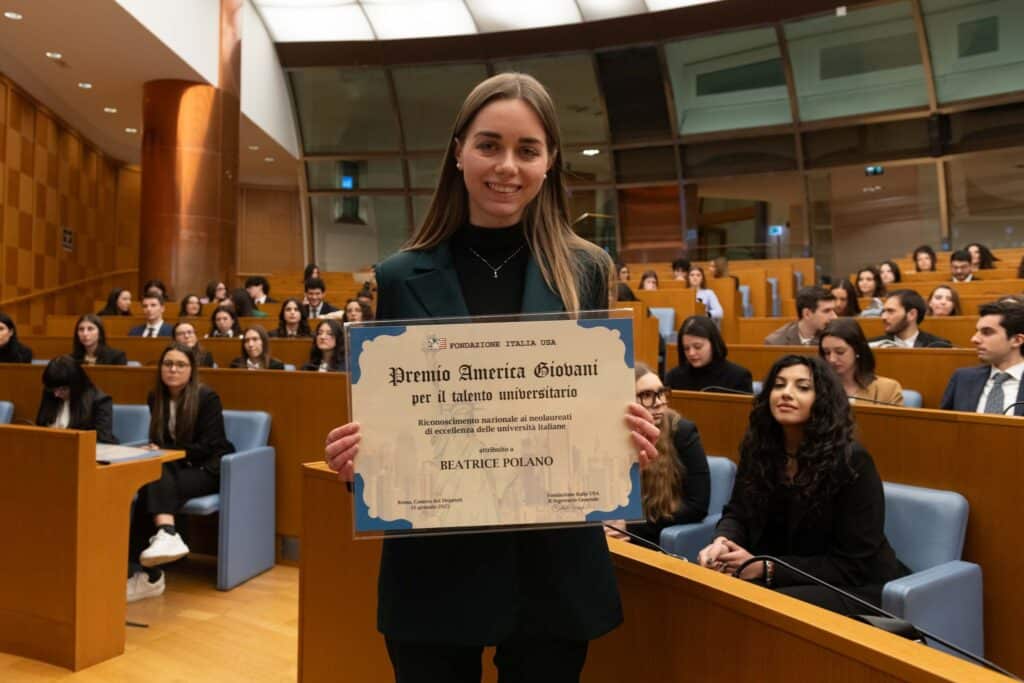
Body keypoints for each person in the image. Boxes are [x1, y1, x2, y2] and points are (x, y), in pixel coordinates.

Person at [321, 72, 660, 682]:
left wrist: (623, 437)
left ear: (550, 161)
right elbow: (394, 418)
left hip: (551, 567)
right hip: (433, 564)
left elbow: (589, 413)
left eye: (527, 150)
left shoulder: (587, 268)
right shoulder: (400, 276)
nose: (507, 166)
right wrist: (359, 458)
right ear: (458, 152)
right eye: (489, 144)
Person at [696, 355, 908, 615]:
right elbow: (738, 512)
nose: (786, 393)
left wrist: (767, 568)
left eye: (802, 387)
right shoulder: (759, 450)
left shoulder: (852, 461)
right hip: (785, 575)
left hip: (855, 585)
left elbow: (855, 563)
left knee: (764, 606)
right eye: (779, 385)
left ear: (823, 400)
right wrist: (723, 541)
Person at [126, 344, 235, 602]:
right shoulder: (156, 397)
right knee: (148, 483)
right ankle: (163, 540)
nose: (173, 369)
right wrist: (159, 450)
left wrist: (167, 450)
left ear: (191, 370)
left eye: (180, 365)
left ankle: (148, 572)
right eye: (168, 364)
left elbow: (210, 445)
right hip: (176, 468)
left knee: (152, 482)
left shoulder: (207, 397)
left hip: (209, 468)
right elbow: (162, 440)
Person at [605, 363, 709, 546]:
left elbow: (697, 506)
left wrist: (630, 527)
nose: (659, 402)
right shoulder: (611, 435)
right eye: (646, 395)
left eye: (661, 392)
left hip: (654, 536)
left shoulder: (682, 431)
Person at [940, 301, 1024, 416]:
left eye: (987, 332)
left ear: (1017, 340)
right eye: (977, 332)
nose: (974, 339)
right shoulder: (962, 378)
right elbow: (944, 427)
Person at [820, 319, 903, 405]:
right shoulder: (819, 388)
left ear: (857, 350)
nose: (832, 359)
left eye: (840, 352)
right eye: (827, 353)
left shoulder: (888, 389)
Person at [35, 356, 117, 443]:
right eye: (54, 389)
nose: (56, 394)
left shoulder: (99, 401)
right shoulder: (50, 393)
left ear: (76, 384)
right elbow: (41, 426)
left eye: (63, 389)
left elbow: (103, 441)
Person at [666, 315, 752, 393]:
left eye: (698, 347)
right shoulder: (673, 377)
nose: (691, 353)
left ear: (713, 344)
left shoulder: (738, 377)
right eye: (686, 348)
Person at [871, 290, 952, 348]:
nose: (883, 317)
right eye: (883, 311)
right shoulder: (873, 345)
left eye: (890, 311)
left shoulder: (938, 346)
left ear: (912, 314)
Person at [765, 286, 837, 345]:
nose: (834, 317)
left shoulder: (836, 338)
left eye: (834, 310)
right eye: (826, 311)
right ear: (807, 314)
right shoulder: (776, 342)